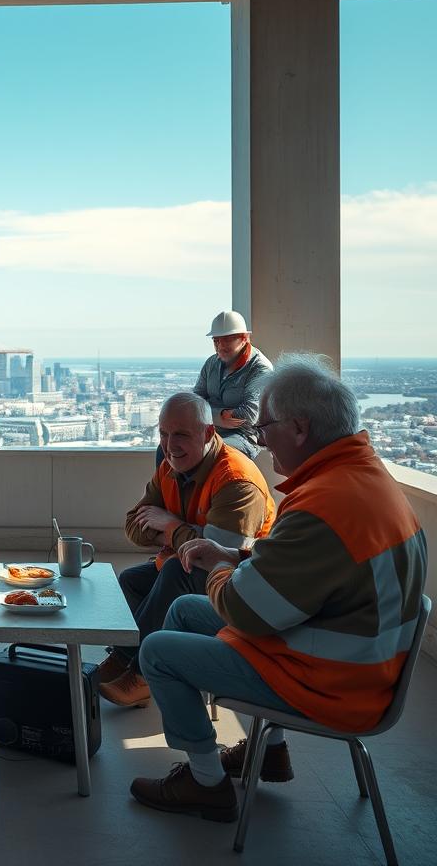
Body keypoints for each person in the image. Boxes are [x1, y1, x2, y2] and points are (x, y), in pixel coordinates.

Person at [130, 354, 427, 823]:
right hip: (360, 658)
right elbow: (304, 575)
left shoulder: (322, 506)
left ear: (301, 429)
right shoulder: (367, 481)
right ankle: (268, 750)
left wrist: (218, 567)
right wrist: (236, 557)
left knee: (160, 652)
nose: (261, 442)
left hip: (334, 683)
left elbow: (244, 610)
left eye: (264, 428)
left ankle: (207, 784)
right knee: (186, 610)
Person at [99, 392, 275, 707]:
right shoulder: (171, 465)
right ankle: (126, 656)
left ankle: (142, 675)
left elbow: (219, 554)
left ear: (209, 434)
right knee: (129, 580)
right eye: (164, 434)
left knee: (173, 571)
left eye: (180, 434)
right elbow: (133, 526)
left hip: (238, 582)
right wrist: (177, 532)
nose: (169, 445)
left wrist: (168, 525)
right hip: (193, 564)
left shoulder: (236, 481)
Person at [193, 310, 273, 458]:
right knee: (168, 448)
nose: (220, 346)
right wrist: (220, 415)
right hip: (210, 430)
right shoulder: (211, 363)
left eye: (227, 339)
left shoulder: (260, 368)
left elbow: (248, 415)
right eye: (216, 341)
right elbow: (194, 403)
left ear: (244, 338)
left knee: (211, 453)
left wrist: (207, 410)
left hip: (243, 436)